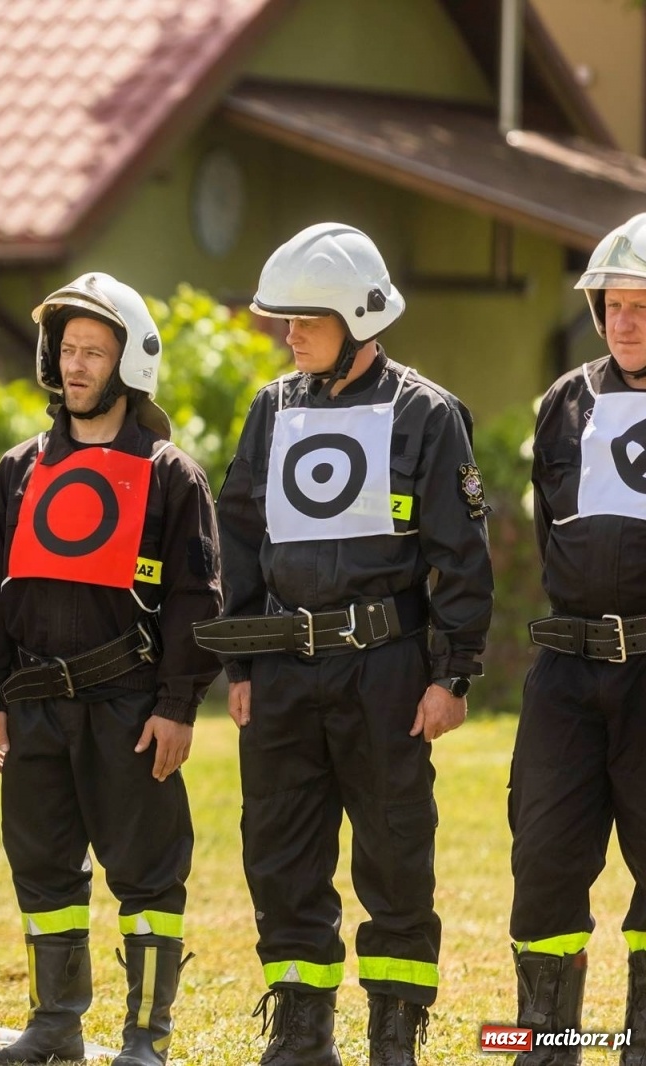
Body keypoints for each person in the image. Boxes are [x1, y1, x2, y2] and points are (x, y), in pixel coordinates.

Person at [194, 222, 493, 1066]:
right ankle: (300, 1029)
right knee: (280, 849)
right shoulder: (271, 407)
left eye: (304, 321)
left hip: (387, 669)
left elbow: (459, 557)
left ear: (358, 321)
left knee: (395, 850)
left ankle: (393, 1032)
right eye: (284, 322)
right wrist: (243, 661)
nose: (288, 336)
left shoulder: (426, 415)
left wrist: (454, 674)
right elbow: (241, 537)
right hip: (284, 670)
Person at [0, 273, 222, 1065]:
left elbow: (196, 598)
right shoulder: (17, 470)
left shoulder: (170, 475)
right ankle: (55, 1026)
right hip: (35, 705)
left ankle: (146, 1034)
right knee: (42, 868)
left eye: (94, 352)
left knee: (147, 877)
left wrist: (178, 706)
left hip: (129, 703)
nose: (75, 366)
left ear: (129, 364)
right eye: (67, 350)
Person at [506, 212, 646, 1065]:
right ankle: (544, 1043)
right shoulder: (565, 401)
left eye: (644, 304)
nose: (626, 321)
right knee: (545, 857)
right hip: (564, 669)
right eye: (613, 305)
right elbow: (549, 521)